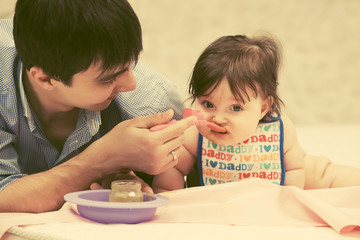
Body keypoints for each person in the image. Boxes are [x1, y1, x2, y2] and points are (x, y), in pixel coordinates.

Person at [0, 0, 196, 213]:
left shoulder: (152, 103)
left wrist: (128, 176)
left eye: (130, 64)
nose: (131, 84)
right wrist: (102, 160)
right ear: (45, 79)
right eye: (108, 78)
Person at [152, 34, 360, 192]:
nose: (218, 118)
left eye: (235, 108)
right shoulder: (195, 134)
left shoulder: (280, 129)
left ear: (263, 108)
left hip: (285, 172)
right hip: (218, 193)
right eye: (207, 104)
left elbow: (295, 169)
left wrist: (288, 198)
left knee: (325, 175)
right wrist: (169, 196)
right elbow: (173, 168)